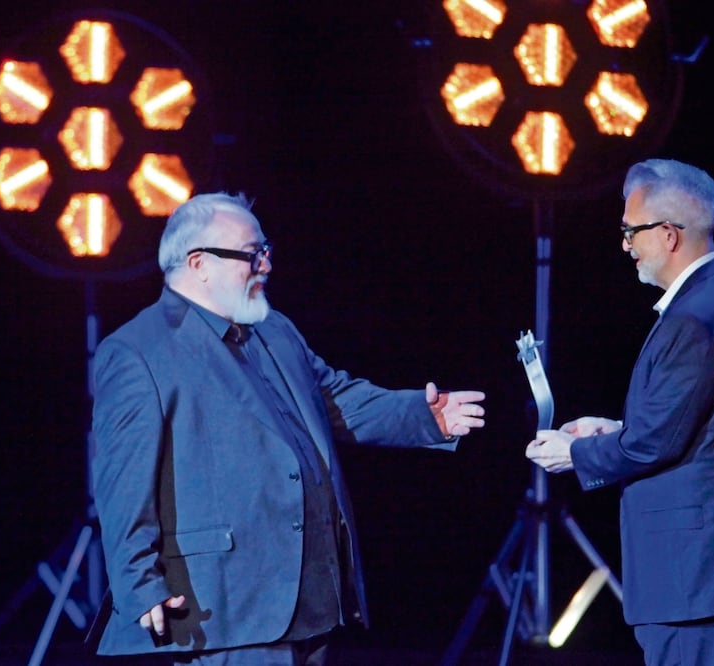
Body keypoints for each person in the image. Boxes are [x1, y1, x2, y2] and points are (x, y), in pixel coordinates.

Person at [88, 191, 486, 665]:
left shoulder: (274, 330)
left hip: (310, 602)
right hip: (224, 610)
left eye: (266, 250)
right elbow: (122, 484)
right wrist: (138, 584)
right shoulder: (139, 350)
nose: (267, 265)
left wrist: (422, 416)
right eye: (252, 254)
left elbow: (335, 400)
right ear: (198, 264)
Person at [525, 158, 714, 665]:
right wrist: (616, 429)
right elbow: (709, 425)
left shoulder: (695, 318)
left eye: (631, 231)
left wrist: (575, 453)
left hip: (698, 578)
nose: (625, 245)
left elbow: (653, 444)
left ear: (668, 234)